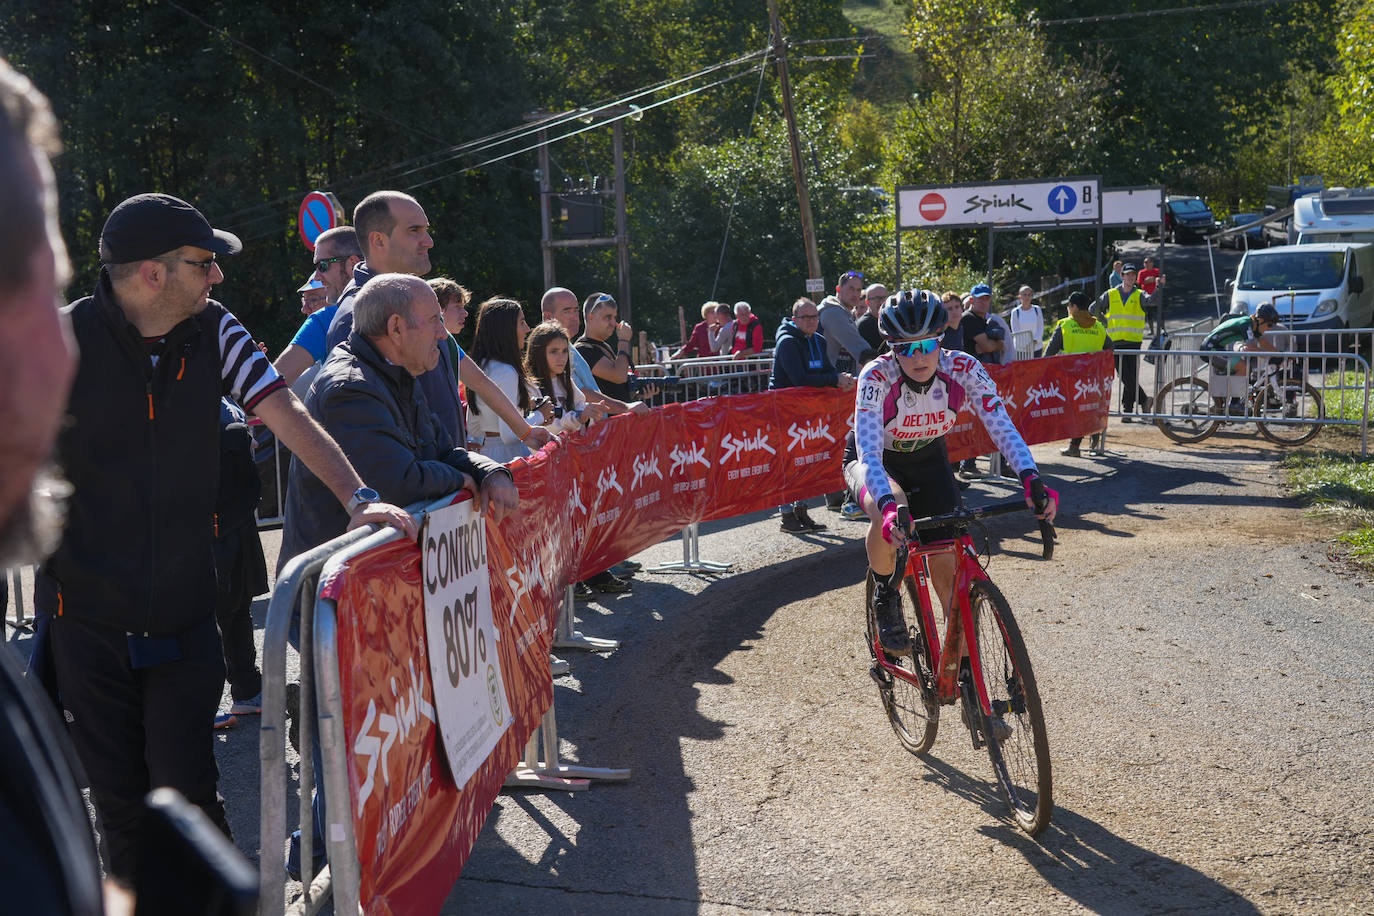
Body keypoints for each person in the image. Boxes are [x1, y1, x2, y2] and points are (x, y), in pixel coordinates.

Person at [43, 192, 414, 886]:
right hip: (85, 621)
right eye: (203, 263)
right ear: (152, 273)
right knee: (120, 807)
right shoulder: (61, 343)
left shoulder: (215, 329)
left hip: (186, 611)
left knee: (190, 798)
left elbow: (284, 407)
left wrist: (358, 496)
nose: (217, 278)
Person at [845, 289, 1058, 656]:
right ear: (891, 348)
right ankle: (885, 593)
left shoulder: (962, 367)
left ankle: (963, 673)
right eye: (904, 348)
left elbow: (1001, 426)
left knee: (946, 562)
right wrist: (888, 505)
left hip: (929, 459)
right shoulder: (876, 376)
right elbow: (868, 451)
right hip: (876, 462)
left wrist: (1030, 477)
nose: (918, 356)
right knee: (890, 505)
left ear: (941, 339)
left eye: (927, 344)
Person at [324, 191, 549, 450]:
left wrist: (525, 431)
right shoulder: (356, 317)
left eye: (426, 230)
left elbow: (472, 374)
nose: (429, 241)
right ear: (378, 241)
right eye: (414, 231)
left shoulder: (417, 302)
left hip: (445, 475)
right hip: (418, 482)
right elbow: (364, 430)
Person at [769, 297, 856, 533]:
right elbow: (800, 379)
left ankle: (801, 512)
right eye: (806, 317)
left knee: (806, 462)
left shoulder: (818, 340)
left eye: (814, 317)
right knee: (788, 465)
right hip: (785, 412)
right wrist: (833, 380)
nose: (811, 321)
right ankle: (786, 516)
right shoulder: (787, 342)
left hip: (809, 413)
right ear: (795, 319)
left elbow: (828, 371)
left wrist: (842, 379)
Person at [211, 399, 266, 730]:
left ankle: (242, 693)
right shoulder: (223, 404)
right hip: (235, 523)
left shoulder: (193, 397)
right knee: (233, 612)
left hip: (211, 526)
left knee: (217, 617)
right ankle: (247, 691)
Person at [272, 226, 363, 389]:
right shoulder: (403, 303)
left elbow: (266, 391)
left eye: (323, 265)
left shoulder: (326, 319)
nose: (316, 277)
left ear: (352, 264)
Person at [466, 298, 550, 463]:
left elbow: (474, 427)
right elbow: (510, 435)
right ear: (505, 329)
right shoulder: (506, 372)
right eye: (521, 322)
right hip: (510, 457)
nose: (527, 329)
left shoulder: (479, 367)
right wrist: (541, 414)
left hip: (487, 454)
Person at [1092, 262, 1165, 421]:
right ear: (1122, 276)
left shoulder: (1139, 294)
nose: (1131, 277)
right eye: (1128, 275)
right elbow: (1094, 308)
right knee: (1125, 376)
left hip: (1133, 341)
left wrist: (1158, 287)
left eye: (1133, 275)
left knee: (1130, 376)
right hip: (1115, 342)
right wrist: (1105, 322)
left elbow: (1151, 301)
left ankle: (1127, 410)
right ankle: (1144, 400)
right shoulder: (1110, 294)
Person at [1045, 291, 1114, 457]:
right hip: (1093, 377)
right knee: (1090, 408)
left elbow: (1049, 352)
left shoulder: (1065, 325)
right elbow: (1109, 348)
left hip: (1072, 377)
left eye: (1069, 305)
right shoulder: (1098, 326)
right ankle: (1095, 440)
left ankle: (1074, 447)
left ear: (1074, 307)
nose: (1068, 309)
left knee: (1075, 412)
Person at [525, 320, 605, 435]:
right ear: (538, 353)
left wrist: (591, 413)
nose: (561, 358)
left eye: (564, 351)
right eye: (554, 351)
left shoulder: (566, 382)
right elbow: (543, 427)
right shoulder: (529, 386)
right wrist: (577, 418)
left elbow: (581, 410)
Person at [816, 270, 878, 374]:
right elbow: (860, 349)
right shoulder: (834, 313)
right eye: (851, 289)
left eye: (858, 290)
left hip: (831, 380)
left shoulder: (843, 313)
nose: (855, 294)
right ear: (838, 289)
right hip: (827, 382)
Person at [1201, 302, 1281, 379]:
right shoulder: (1246, 324)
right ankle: (1230, 392)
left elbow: (1263, 343)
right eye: (1269, 325)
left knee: (1246, 368)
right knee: (1244, 368)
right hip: (1210, 349)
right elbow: (1250, 347)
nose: (1269, 328)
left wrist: (1281, 355)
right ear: (1260, 320)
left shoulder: (1254, 326)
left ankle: (1233, 391)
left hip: (1217, 348)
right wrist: (1270, 357)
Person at [1008, 285, 1044, 358]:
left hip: (1036, 348)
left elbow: (1040, 328)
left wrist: (1034, 342)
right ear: (1019, 297)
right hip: (1020, 350)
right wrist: (1026, 346)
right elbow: (1016, 331)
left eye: (1029, 295)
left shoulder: (1037, 309)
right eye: (1024, 295)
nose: (1027, 297)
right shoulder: (1015, 312)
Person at [858, 283, 887, 353]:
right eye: (876, 298)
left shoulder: (890, 321)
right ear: (867, 302)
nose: (880, 302)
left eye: (883, 298)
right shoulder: (865, 325)